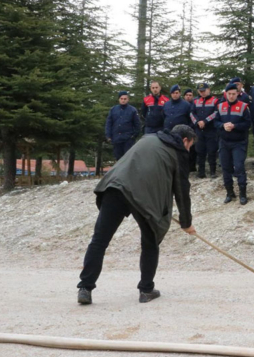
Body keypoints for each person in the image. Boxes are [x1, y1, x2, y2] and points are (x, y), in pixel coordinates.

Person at [77, 125, 197, 305]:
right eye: (190, 146)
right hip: (144, 199)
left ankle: (85, 288)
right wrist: (186, 223)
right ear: (185, 140)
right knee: (150, 241)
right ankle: (146, 290)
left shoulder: (148, 138)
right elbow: (181, 190)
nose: (188, 149)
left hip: (114, 187)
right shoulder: (178, 153)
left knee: (99, 240)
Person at [215, 83, 252, 205]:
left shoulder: (243, 106)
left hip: (238, 143)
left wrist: (235, 126)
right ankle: (229, 193)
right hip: (224, 142)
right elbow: (215, 122)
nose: (231, 96)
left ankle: (243, 194)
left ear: (237, 94)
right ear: (226, 94)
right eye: (229, 94)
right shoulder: (220, 106)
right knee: (226, 168)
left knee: (239, 167)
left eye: (233, 94)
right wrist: (222, 126)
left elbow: (248, 124)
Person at [189, 83, 219, 179]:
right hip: (199, 129)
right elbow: (192, 113)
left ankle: (213, 171)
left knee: (211, 151)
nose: (202, 93)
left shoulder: (215, 100)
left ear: (208, 90)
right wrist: (197, 122)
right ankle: (201, 171)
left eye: (204, 90)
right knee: (200, 151)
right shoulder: (195, 101)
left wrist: (206, 121)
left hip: (211, 129)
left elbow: (216, 113)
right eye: (200, 91)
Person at [105, 91, 141, 161]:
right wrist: (108, 135)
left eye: (125, 99)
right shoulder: (113, 110)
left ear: (128, 99)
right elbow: (109, 123)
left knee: (128, 159)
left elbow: (137, 124)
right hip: (116, 138)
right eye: (122, 99)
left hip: (128, 139)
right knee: (118, 159)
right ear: (119, 99)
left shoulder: (132, 110)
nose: (123, 100)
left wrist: (133, 136)